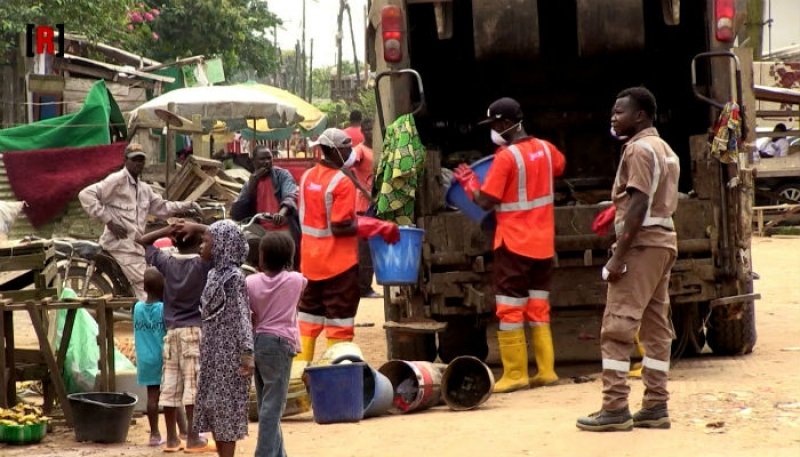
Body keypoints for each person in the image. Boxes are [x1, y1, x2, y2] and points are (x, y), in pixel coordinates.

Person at [576, 87, 679, 432]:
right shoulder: (664, 148)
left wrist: (618, 257)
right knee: (656, 327)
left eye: (619, 112)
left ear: (640, 116)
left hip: (641, 246)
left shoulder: (636, 149)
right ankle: (655, 404)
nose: (613, 118)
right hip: (663, 242)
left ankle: (615, 406)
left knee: (618, 326)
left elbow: (638, 203)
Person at [454, 97, 566, 393]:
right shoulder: (546, 148)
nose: (492, 130)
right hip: (543, 244)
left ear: (504, 124)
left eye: (493, 125)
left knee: (510, 309)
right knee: (539, 306)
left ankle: (515, 373)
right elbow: (559, 167)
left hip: (514, 243)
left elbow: (486, 201)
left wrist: (468, 185)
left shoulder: (505, 157)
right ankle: (546, 370)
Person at [295, 128, 398, 362]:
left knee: (308, 321)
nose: (351, 152)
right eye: (346, 148)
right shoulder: (341, 182)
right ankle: (335, 374)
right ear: (333, 150)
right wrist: (376, 227)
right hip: (338, 266)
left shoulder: (307, 177)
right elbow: (341, 226)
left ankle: (296, 384)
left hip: (311, 264)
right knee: (339, 323)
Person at [78, 143, 200, 301]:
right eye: (134, 159)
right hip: (121, 247)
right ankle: (149, 320)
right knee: (148, 287)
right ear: (125, 161)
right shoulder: (116, 181)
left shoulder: (144, 189)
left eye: (141, 160)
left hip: (137, 246)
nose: (138, 163)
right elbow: (85, 195)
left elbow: (163, 207)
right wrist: (109, 221)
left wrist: (189, 205)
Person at [176, 220, 253, 457]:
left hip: (229, 356)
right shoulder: (213, 274)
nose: (202, 245)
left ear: (223, 245)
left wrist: (247, 354)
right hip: (212, 354)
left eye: (207, 241)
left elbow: (242, 317)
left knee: (225, 411)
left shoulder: (234, 278)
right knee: (213, 408)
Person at [137, 223, 212, 453]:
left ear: (174, 242)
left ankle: (171, 439)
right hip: (193, 331)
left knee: (170, 387)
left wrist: (167, 230)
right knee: (192, 388)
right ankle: (193, 438)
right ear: (200, 243)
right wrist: (197, 226)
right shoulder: (202, 264)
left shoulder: (167, 263)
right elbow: (225, 235)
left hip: (171, 334)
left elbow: (143, 241)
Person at [246, 232, 306, 457]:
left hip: (257, 342)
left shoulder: (250, 282)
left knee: (265, 404)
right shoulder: (295, 280)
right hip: (281, 345)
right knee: (273, 407)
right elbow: (302, 288)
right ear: (289, 258)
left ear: (261, 257)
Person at [230, 145, 301, 269]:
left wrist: (282, 213)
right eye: (262, 159)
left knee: (284, 253)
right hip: (261, 227)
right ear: (254, 161)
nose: (267, 162)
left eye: (269, 158)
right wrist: (252, 184)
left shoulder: (282, 175)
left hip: (282, 226)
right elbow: (236, 212)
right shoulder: (250, 182)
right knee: (240, 237)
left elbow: (290, 195)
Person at [133, 267, 168, 446]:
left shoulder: (138, 308)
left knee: (152, 398)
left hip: (144, 359)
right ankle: (181, 431)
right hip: (162, 358)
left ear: (145, 289)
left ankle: (154, 434)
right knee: (172, 397)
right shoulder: (163, 308)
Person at [352, 118, 381, 298]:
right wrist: (362, 189)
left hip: (377, 205)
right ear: (362, 131)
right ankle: (364, 287)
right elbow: (345, 166)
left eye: (373, 128)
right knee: (364, 249)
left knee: (372, 247)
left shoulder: (379, 149)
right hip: (363, 206)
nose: (371, 132)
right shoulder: (359, 150)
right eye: (367, 129)